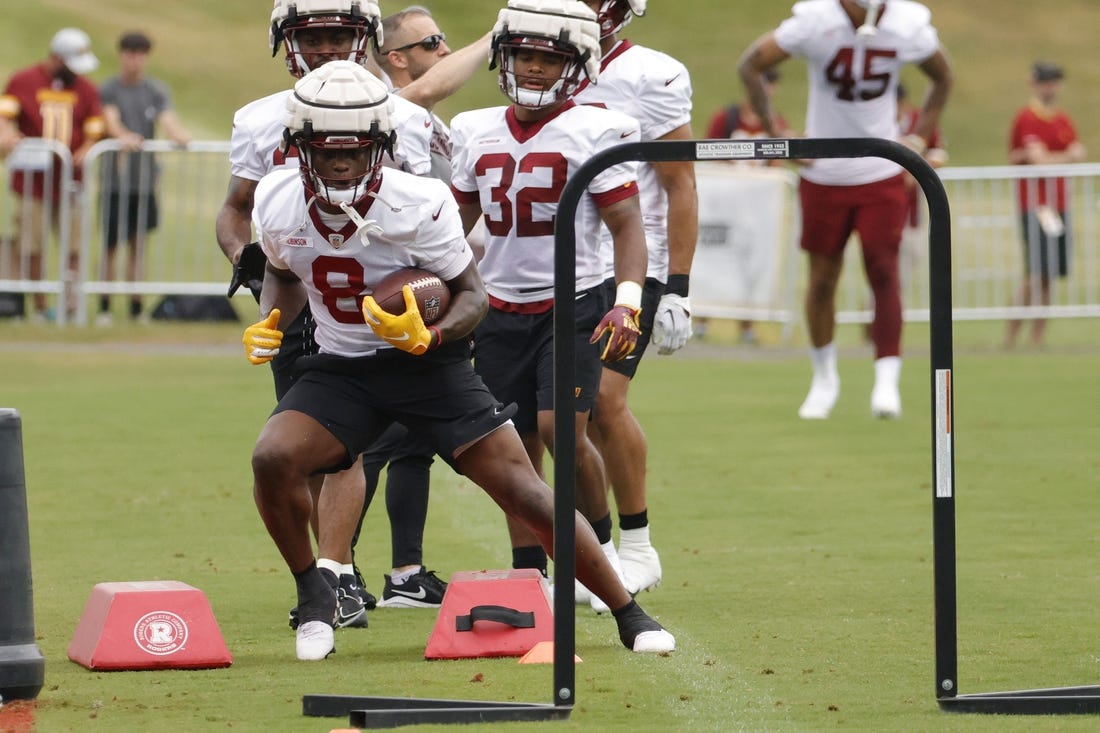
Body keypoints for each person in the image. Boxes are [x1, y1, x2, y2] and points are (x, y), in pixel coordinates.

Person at [243, 58, 675, 660]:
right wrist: (272, 319)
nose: (340, 162)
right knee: (273, 457)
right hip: (341, 368)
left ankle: (629, 613)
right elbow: (283, 275)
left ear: (381, 145)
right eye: (324, 148)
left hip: (429, 369)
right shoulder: (277, 198)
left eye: (355, 148)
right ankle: (314, 593)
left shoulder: (419, 201)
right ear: (299, 146)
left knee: (523, 488)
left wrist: (434, 337)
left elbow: (472, 296)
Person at [450, 0, 652, 613]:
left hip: (575, 300)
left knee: (561, 429)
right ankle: (528, 569)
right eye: (524, 56)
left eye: (549, 58)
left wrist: (629, 301)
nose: (534, 69)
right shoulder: (472, 127)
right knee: (510, 446)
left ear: (579, 66)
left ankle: (603, 546)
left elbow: (626, 225)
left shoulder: (598, 129)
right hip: (498, 306)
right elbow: (453, 225)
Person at [738, 0, 952, 420]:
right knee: (821, 279)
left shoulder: (907, 23)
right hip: (826, 170)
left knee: (883, 270)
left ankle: (886, 378)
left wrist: (920, 138)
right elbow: (751, 63)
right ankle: (824, 376)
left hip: (880, 166)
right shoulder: (818, 20)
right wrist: (775, 132)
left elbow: (943, 76)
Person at [346, 4, 492, 609]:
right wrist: (498, 33)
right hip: (390, 292)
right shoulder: (387, 103)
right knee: (369, 442)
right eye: (433, 42)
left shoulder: (429, 119)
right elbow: (431, 86)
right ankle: (338, 572)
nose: (444, 50)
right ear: (397, 59)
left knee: (411, 444)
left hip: (433, 290)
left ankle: (406, 573)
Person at [563, 0, 697, 606]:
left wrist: (678, 287)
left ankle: (638, 546)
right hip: (563, 265)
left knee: (605, 404)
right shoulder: (543, 58)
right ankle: (601, 547)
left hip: (629, 265)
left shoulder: (651, 75)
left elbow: (679, 182)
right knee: (561, 417)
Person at [0, 28, 105, 322]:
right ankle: (39, 306)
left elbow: (94, 127)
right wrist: (7, 134)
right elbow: (4, 117)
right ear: (57, 58)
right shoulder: (23, 80)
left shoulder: (85, 88)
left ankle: (71, 305)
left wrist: (87, 147)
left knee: (73, 247)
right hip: (32, 183)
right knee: (31, 246)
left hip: (71, 183)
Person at [96, 31, 191, 325]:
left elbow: (167, 118)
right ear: (121, 55)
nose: (134, 60)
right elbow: (109, 119)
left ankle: (136, 307)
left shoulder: (155, 90)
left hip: (145, 181)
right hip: (115, 180)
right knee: (110, 246)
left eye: (140, 54)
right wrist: (123, 136)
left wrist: (178, 136)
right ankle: (105, 307)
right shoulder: (109, 88)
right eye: (130, 53)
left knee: (138, 244)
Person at [702, 67, 790, 345]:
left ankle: (747, 324)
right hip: (727, 206)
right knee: (716, 259)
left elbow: (778, 163)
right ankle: (703, 319)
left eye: (771, 84)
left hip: (758, 210)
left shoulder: (775, 124)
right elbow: (709, 155)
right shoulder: (726, 119)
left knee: (754, 264)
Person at [1005, 61, 1085, 348]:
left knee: (1050, 273)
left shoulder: (1063, 119)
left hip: (1059, 203)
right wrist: (1065, 156)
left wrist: (1054, 158)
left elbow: (1075, 152)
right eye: (1046, 81)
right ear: (1034, 83)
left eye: (1055, 81)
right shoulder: (1027, 117)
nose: (1051, 87)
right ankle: (1012, 337)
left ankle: (1037, 339)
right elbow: (1043, 161)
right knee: (1034, 272)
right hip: (1036, 204)